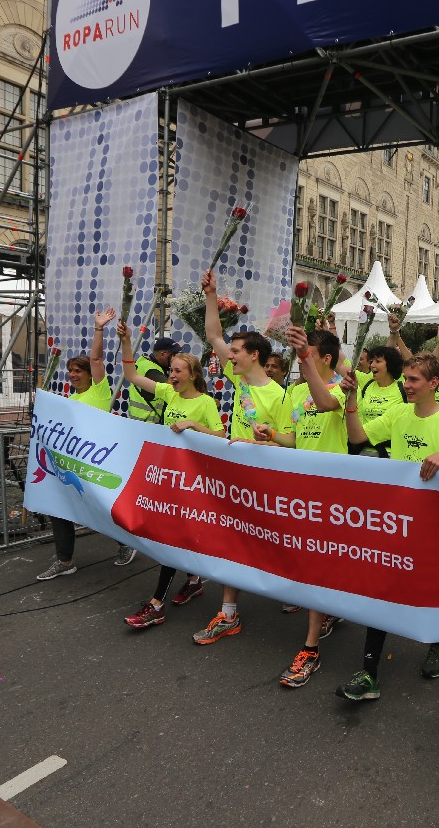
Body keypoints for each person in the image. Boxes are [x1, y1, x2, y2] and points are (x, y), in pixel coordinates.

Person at [336, 353, 439, 701]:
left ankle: (438, 644)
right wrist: (352, 399)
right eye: (406, 378)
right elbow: (357, 437)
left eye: (414, 379)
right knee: (382, 586)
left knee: (431, 586)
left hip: (437, 521)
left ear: (434, 383)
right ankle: (369, 674)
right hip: (398, 519)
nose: (407, 385)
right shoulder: (399, 413)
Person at [191, 268, 292, 645]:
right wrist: (211, 295)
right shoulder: (240, 380)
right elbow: (213, 335)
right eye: (230, 352)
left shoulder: (280, 396)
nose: (228, 355)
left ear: (254, 355)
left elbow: (292, 446)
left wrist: (266, 442)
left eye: (236, 352)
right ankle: (229, 613)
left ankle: (305, 594)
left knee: (274, 543)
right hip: (236, 480)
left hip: (268, 486)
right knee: (232, 542)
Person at [255, 325, 349, 688]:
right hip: (301, 492)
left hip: (333, 494)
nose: (299, 356)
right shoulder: (295, 391)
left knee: (319, 564)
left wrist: (304, 356)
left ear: (325, 357)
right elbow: (295, 439)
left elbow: (324, 404)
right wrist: (270, 436)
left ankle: (310, 649)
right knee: (315, 563)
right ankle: (329, 609)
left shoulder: (342, 388)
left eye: (307, 351)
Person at [115, 333, 224, 628]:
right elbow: (131, 375)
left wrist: (193, 425)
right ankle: (194, 581)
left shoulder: (205, 402)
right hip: (167, 478)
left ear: (192, 375)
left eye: (178, 371)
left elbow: (220, 435)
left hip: (191, 482)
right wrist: (126, 341)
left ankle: (156, 605)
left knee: (172, 540)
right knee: (176, 536)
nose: (171, 375)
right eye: (171, 370)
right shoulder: (168, 393)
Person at [37, 307, 137, 580]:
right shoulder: (70, 400)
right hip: (73, 464)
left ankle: (126, 542)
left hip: (97, 463)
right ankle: (65, 561)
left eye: (78, 370)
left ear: (90, 374)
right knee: (59, 509)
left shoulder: (99, 391)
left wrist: (99, 328)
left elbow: (96, 357)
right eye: (70, 370)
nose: (72, 374)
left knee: (99, 509)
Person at [353, 345, 406, 456]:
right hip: (364, 451)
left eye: (378, 361)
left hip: (392, 453)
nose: (372, 365)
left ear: (390, 364)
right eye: (372, 361)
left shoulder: (403, 389)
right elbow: (341, 365)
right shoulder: (367, 385)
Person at [125, 337, 180, 423]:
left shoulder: (144, 362)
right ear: (163, 354)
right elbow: (171, 389)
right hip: (147, 423)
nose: (176, 357)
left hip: (138, 420)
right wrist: (175, 366)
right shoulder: (151, 371)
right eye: (173, 354)